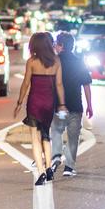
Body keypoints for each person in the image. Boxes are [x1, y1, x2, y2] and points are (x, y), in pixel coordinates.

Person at [14, 32, 68, 185]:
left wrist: (19, 102)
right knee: (46, 135)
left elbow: (25, 84)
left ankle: (41, 172)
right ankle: (49, 168)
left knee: (35, 138)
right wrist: (62, 104)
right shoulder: (56, 61)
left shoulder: (32, 61)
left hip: (35, 102)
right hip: (49, 102)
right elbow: (59, 85)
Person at [51, 32, 93, 178]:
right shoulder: (79, 62)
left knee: (56, 131)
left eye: (56, 43)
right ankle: (69, 166)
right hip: (75, 105)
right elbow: (86, 84)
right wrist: (90, 105)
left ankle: (56, 155)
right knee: (73, 136)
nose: (54, 45)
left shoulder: (54, 61)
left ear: (61, 46)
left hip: (59, 106)